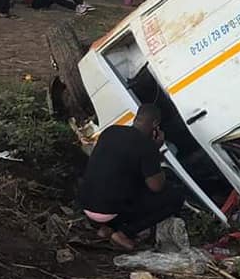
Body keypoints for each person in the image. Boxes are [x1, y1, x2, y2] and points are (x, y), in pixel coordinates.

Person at [78, 104, 185, 251]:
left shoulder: (110, 131)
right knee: (175, 196)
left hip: (86, 204)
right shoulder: (146, 146)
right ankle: (123, 233)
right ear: (155, 125)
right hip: (109, 211)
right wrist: (155, 149)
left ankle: (106, 229)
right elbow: (157, 186)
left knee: (122, 186)